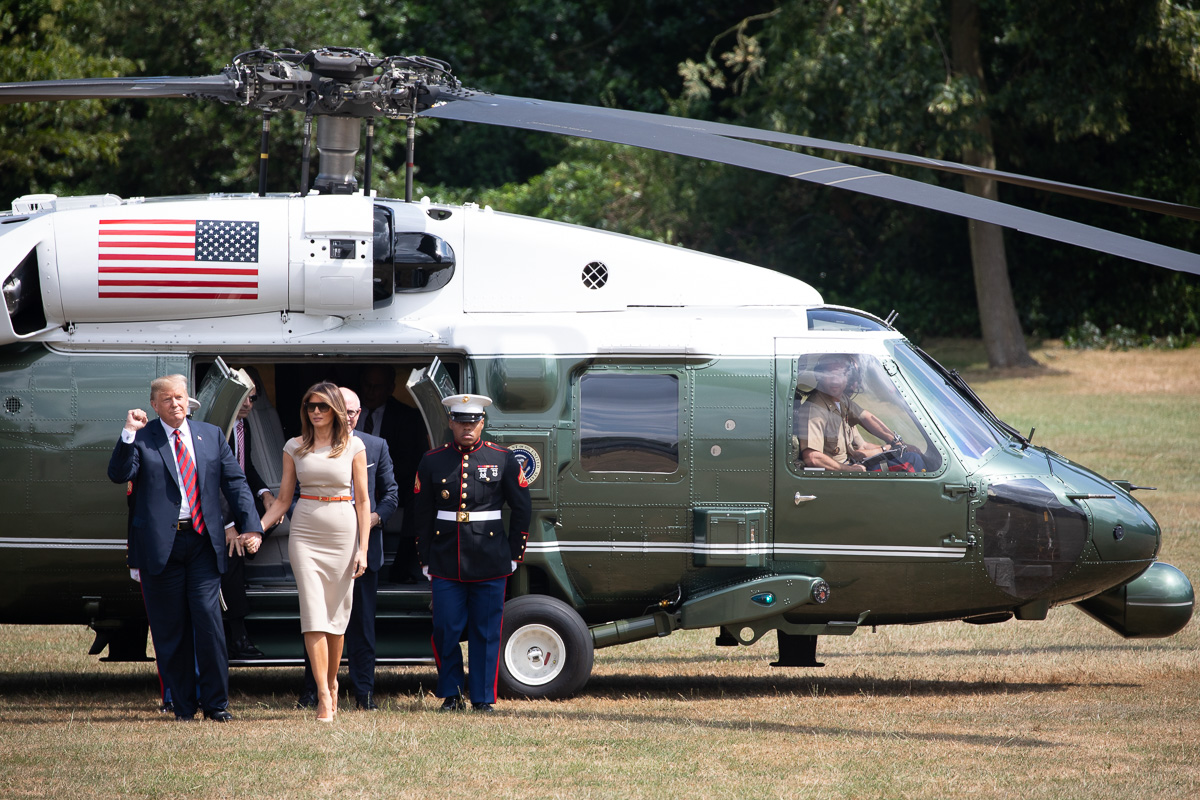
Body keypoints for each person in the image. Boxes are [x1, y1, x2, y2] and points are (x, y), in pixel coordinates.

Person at [107, 374, 263, 722]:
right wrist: (128, 434)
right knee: (170, 629)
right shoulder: (142, 439)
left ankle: (216, 704)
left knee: (208, 623)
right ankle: (183, 706)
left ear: (187, 399)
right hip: (162, 546)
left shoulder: (210, 436)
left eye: (179, 397)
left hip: (203, 543)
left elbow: (235, 482)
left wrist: (252, 525)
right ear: (154, 405)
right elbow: (118, 474)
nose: (175, 404)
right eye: (167, 399)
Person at [259, 381, 371, 722]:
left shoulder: (354, 445)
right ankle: (323, 693)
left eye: (322, 406)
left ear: (335, 409)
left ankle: (333, 682)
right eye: (310, 406)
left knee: (337, 618)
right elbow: (283, 500)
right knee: (312, 614)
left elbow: (364, 501)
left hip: (342, 528)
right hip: (305, 530)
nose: (316, 412)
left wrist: (363, 549)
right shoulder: (294, 446)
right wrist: (257, 529)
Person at [414, 394, 531, 713]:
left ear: (482, 423)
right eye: (461, 422)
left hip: (491, 559)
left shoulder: (503, 458)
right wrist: (425, 558)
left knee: (486, 630)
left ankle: (482, 698)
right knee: (445, 629)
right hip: (445, 558)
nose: (468, 428)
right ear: (451, 423)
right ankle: (451, 694)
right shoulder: (432, 460)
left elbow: (522, 508)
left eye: (474, 422)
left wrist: (513, 554)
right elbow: (422, 514)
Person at [298, 386, 399, 711]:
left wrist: (370, 520)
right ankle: (314, 691)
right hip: (320, 537)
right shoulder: (309, 445)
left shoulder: (373, 445)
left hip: (361, 545)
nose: (350, 416)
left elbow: (390, 494)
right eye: (345, 410)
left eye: (354, 411)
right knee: (317, 617)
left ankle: (364, 693)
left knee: (361, 624)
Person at [356, 364, 429, 583]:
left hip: (393, 480)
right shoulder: (347, 414)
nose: (370, 392)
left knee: (419, 494)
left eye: (377, 387)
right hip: (349, 479)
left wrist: (382, 482)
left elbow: (411, 461)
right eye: (367, 385)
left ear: (390, 388)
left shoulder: (408, 417)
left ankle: (401, 567)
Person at [220, 389, 275, 659]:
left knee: (275, 515)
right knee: (232, 562)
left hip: (240, 503)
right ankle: (238, 637)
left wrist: (265, 494)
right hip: (220, 508)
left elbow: (246, 468)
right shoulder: (220, 426)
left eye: (253, 398)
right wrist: (228, 524)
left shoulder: (245, 425)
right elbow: (215, 477)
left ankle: (248, 544)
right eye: (243, 395)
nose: (248, 403)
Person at [795, 354, 910, 472]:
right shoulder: (815, 408)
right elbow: (812, 458)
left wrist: (897, 442)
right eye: (829, 374)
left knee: (910, 458)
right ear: (819, 376)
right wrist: (848, 470)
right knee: (911, 462)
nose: (835, 380)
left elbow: (866, 418)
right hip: (836, 477)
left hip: (850, 467)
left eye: (840, 374)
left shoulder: (841, 401)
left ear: (848, 378)